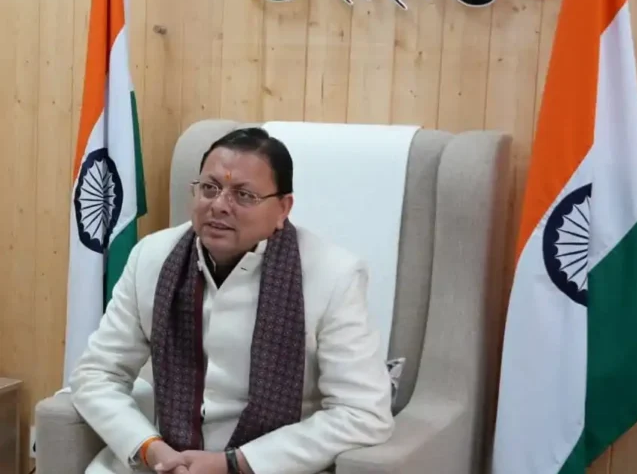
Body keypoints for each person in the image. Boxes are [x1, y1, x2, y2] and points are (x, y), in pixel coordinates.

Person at [69, 127, 395, 474]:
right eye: (210, 188)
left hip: (271, 464)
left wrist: (234, 463)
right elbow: (97, 374)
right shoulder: (152, 257)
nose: (219, 206)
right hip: (164, 460)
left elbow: (363, 413)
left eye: (244, 195)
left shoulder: (332, 275)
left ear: (283, 208)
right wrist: (150, 447)